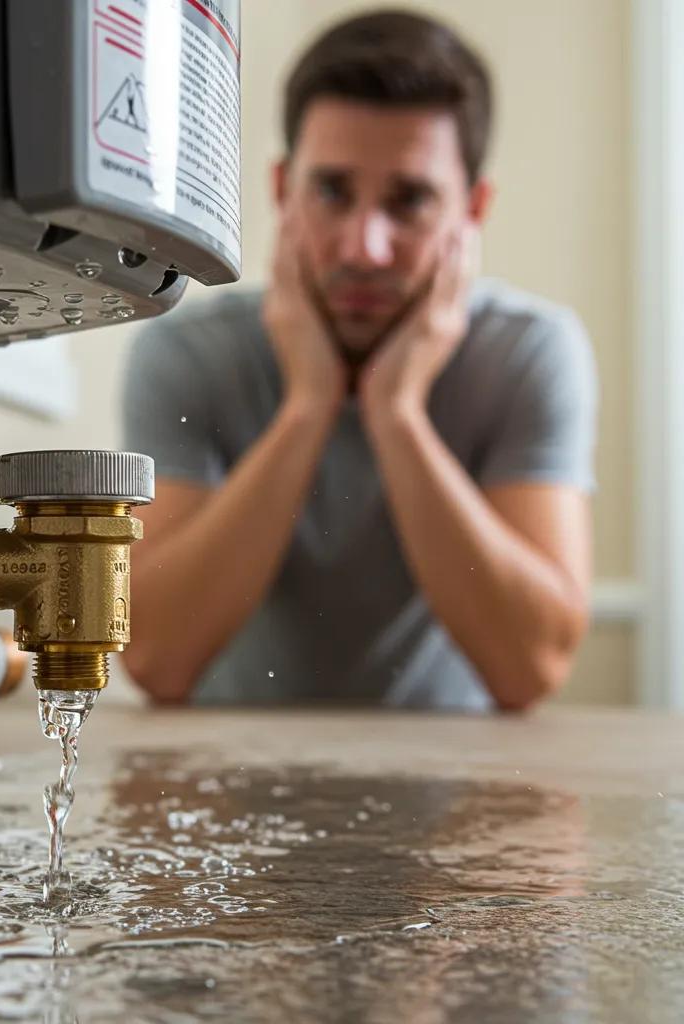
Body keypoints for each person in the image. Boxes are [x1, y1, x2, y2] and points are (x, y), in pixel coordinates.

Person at [120, 9, 597, 711]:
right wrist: (308, 406)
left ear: (474, 210)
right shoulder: (188, 353)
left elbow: (531, 669)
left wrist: (397, 412)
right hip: (230, 788)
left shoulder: (528, 353)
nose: (363, 248)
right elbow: (155, 659)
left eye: (409, 201)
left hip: (458, 797)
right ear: (284, 191)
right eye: (333, 192)